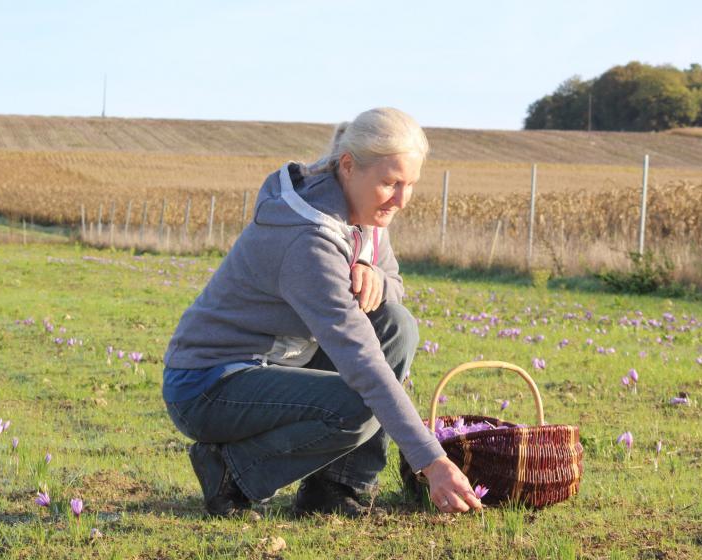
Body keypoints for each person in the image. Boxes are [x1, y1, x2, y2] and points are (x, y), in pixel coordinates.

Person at [162, 107, 482, 518]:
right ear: (348, 166)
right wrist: (432, 461)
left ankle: (334, 488)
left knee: (396, 325)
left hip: (278, 365)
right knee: (364, 400)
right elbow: (363, 362)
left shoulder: (366, 215)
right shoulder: (309, 240)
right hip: (209, 383)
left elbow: (395, 284)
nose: (402, 200)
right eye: (391, 183)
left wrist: (378, 280)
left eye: (411, 184)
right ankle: (232, 471)